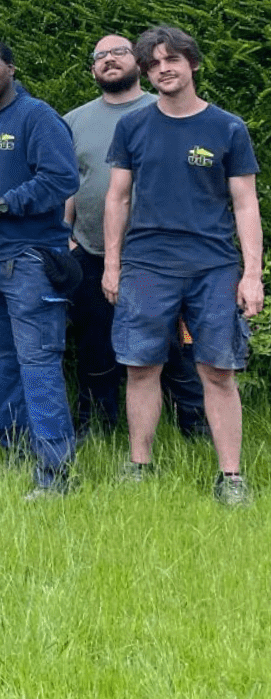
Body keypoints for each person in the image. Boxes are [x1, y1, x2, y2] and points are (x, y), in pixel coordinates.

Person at [104, 26, 262, 506]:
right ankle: (139, 466)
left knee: (218, 370)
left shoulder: (227, 127)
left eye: (171, 59)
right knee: (140, 366)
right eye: (152, 64)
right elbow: (117, 197)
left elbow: (246, 204)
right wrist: (112, 263)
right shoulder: (133, 127)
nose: (162, 69)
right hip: (146, 265)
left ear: (192, 63)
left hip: (213, 267)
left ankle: (231, 478)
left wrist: (251, 274)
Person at [0, 40, 80, 497]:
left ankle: (56, 473)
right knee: (0, 365)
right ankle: (16, 453)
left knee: (38, 364)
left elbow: (62, 179)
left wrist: (3, 205)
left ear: (10, 67)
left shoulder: (36, 116)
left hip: (29, 262)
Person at [63, 35, 206, 439]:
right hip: (91, 250)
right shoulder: (73, 121)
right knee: (95, 344)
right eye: (100, 56)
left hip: (159, 253)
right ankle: (96, 426)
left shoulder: (165, 110)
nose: (109, 60)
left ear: (139, 64)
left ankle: (194, 424)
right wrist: (67, 238)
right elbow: (68, 182)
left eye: (118, 52)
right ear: (93, 69)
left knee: (172, 345)